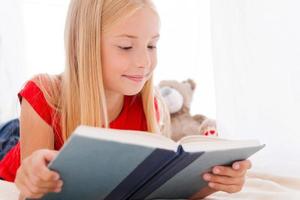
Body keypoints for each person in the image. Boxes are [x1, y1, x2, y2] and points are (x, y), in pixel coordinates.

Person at [0, 0, 251, 199]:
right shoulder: (44, 94)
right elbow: (29, 192)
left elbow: (158, 188)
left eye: (152, 46)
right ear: (84, 45)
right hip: (11, 142)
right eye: (126, 47)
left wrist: (215, 180)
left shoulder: (148, 105)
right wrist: (33, 180)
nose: (144, 62)